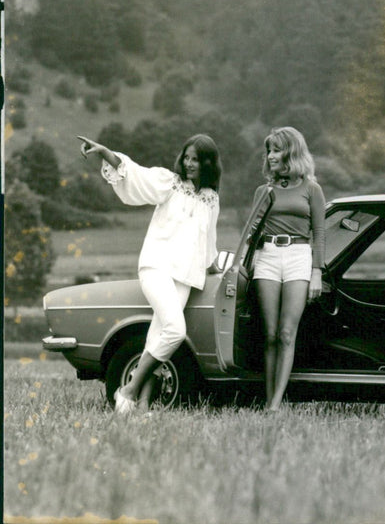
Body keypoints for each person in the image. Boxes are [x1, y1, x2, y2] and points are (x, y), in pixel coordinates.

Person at [78, 134, 222, 414]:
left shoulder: (212, 199)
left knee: (159, 337)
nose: (190, 163)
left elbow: (209, 244)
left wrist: (220, 268)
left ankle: (142, 403)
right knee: (175, 331)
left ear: (208, 163)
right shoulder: (170, 183)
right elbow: (136, 175)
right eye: (187, 157)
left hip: (186, 278)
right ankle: (128, 390)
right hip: (157, 268)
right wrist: (106, 152)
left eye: (196, 159)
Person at [250, 127, 325, 411]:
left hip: (299, 256)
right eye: (269, 150)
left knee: (286, 333)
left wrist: (316, 271)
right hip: (268, 256)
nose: (270, 156)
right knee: (269, 333)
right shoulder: (263, 191)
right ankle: (268, 398)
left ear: (292, 152)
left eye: (277, 150)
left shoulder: (311, 189)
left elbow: (319, 232)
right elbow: (252, 231)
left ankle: (275, 405)